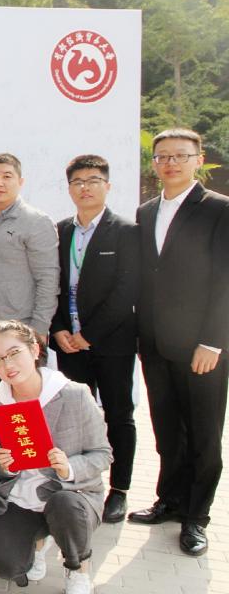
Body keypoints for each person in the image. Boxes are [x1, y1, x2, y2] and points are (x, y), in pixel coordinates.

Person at [129, 128, 229, 557]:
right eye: (162, 156)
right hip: (155, 342)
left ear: (198, 159)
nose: (170, 163)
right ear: (154, 163)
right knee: (167, 429)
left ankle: (197, 516)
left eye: (180, 155)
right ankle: (169, 500)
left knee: (204, 434)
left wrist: (213, 341)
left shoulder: (219, 209)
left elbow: (225, 279)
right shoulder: (146, 211)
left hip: (201, 346)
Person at [0, 320, 111, 594]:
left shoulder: (74, 394)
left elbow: (103, 454)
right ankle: (39, 541)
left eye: (14, 353)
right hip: (22, 495)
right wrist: (5, 466)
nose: (7, 364)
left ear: (34, 350)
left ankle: (78, 565)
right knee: (4, 565)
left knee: (64, 505)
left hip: (72, 494)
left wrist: (69, 467)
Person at [50, 154, 139, 524]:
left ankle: (119, 489)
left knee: (118, 413)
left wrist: (89, 335)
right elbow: (52, 284)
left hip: (112, 342)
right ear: (69, 188)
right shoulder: (60, 231)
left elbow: (126, 291)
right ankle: (79, 480)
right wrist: (58, 329)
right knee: (75, 415)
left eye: (93, 180)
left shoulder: (126, 231)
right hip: (69, 343)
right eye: (77, 182)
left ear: (107, 186)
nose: (85, 188)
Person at [0, 154, 59, 392]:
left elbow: (48, 279)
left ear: (20, 181)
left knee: (27, 404)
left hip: (22, 331)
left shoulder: (36, 222)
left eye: (7, 176)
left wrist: (38, 330)